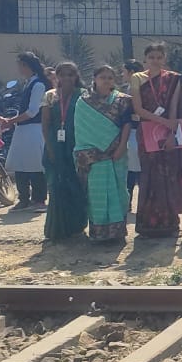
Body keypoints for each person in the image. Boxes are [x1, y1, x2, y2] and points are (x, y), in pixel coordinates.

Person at [131, 43, 182, 238]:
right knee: (149, 175)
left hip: (168, 133)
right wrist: (164, 122)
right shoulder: (137, 78)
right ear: (145, 58)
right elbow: (138, 108)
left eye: (159, 57)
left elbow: (174, 107)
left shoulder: (173, 79)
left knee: (169, 175)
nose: (155, 60)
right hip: (147, 131)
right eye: (151, 56)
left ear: (164, 59)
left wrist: (171, 131)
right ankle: (148, 223)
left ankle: (170, 222)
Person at [75, 65, 132, 244]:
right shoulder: (83, 102)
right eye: (102, 77)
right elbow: (81, 130)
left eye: (110, 77)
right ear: (94, 79)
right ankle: (99, 233)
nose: (106, 81)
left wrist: (121, 146)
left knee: (119, 192)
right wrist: (95, 151)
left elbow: (127, 125)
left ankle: (117, 233)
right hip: (93, 157)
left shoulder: (122, 100)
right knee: (96, 194)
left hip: (116, 154)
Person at [41, 61, 87, 241]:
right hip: (54, 146)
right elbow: (45, 125)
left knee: (76, 186)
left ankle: (76, 226)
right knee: (56, 186)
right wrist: (51, 149)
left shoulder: (83, 95)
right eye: (63, 74)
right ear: (57, 76)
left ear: (76, 76)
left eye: (71, 74)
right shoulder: (49, 96)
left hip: (77, 144)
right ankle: (56, 229)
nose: (67, 78)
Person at [3, 52, 49, 212]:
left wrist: (11, 121)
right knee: (21, 165)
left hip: (34, 130)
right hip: (23, 130)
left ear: (25, 65)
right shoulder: (29, 83)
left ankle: (39, 199)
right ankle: (24, 198)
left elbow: (32, 111)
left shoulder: (38, 84)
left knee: (36, 165)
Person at [121, 59, 144, 213]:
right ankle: (127, 202)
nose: (122, 74)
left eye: (124, 71)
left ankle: (143, 203)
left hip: (139, 132)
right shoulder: (126, 89)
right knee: (129, 170)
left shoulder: (140, 90)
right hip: (129, 133)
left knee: (139, 171)